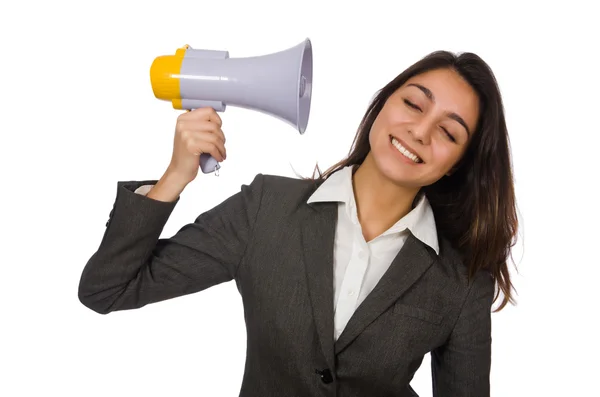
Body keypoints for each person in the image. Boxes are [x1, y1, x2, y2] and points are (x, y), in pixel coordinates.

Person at [78, 49, 519, 397]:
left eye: (449, 132)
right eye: (413, 104)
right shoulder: (266, 208)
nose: (420, 131)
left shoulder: (461, 278)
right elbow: (107, 289)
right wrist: (174, 177)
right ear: (383, 103)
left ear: (456, 166)